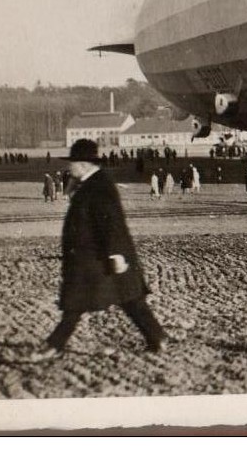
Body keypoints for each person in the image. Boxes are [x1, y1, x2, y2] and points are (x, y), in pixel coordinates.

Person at [35, 139, 165, 358]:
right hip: (95, 256)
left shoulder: (99, 185)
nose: (70, 167)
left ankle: (54, 346)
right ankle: (157, 337)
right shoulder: (91, 183)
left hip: (99, 257)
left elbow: (111, 221)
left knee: (79, 303)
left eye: (73, 162)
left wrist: (116, 254)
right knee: (128, 299)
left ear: (84, 164)